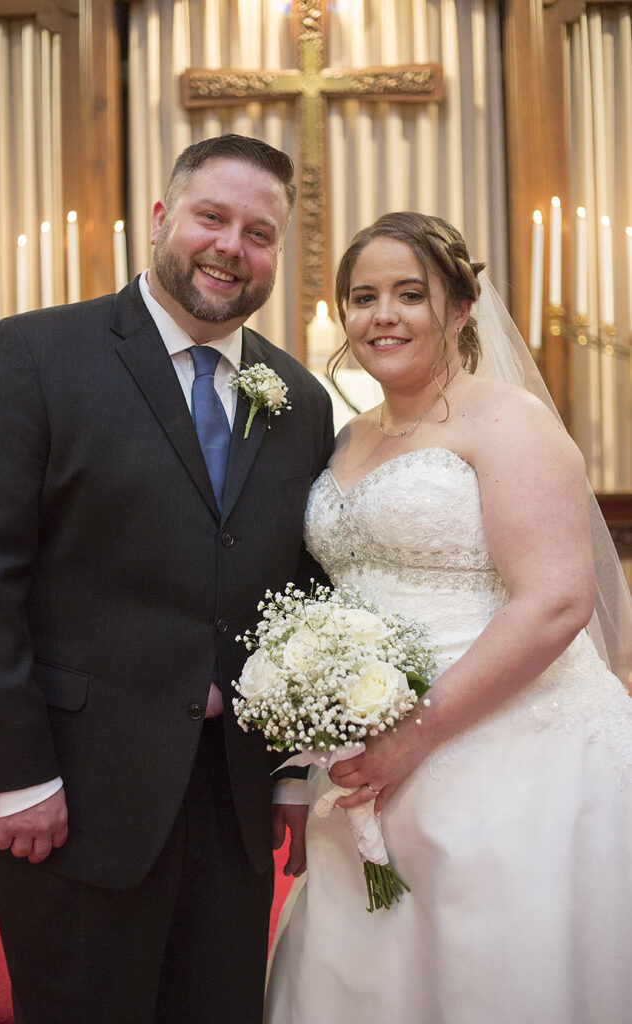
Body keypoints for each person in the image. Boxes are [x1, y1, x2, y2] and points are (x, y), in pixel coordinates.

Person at [0, 133, 334, 1024]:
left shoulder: (300, 399)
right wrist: (16, 774)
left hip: (230, 803)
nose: (232, 247)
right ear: (163, 218)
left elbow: (302, 592)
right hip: (73, 797)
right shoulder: (37, 355)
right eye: (213, 217)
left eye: (259, 232)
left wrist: (289, 774)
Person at [265, 211, 632, 1023]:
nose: (382, 315)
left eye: (409, 294)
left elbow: (557, 601)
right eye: (363, 297)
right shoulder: (346, 437)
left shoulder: (508, 422)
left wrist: (417, 733)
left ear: (462, 308)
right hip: (362, 749)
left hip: (507, 742)